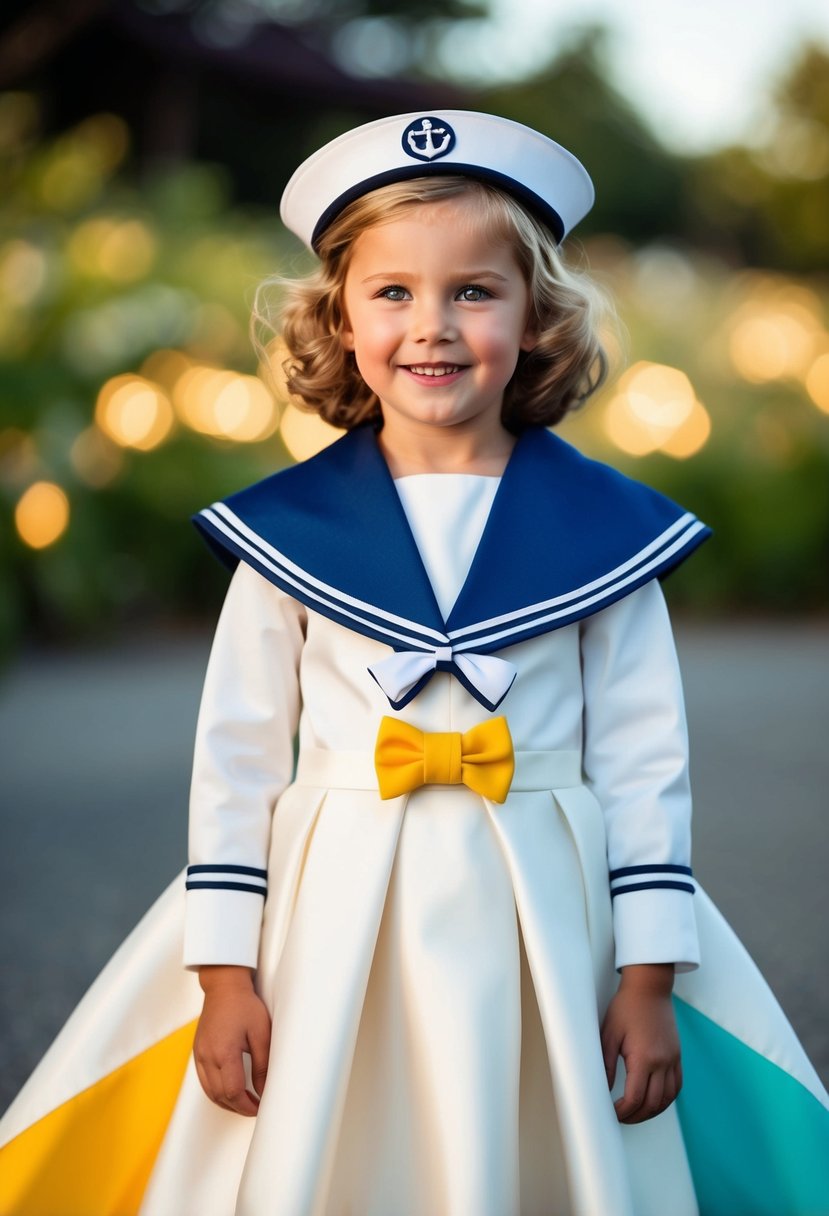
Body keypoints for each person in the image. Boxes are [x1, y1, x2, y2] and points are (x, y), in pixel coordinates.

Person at [1, 110, 828, 1216]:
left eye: (472, 291)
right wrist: (223, 971)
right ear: (338, 317)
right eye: (392, 291)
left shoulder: (605, 539)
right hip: (331, 907)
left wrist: (644, 981)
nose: (430, 327)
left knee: (528, 1139)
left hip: (547, 911)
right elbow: (236, 758)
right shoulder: (285, 538)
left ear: (535, 315)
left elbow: (644, 760)